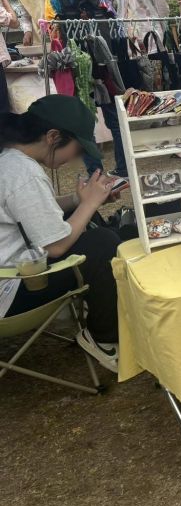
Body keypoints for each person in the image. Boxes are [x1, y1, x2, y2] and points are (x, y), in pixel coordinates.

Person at [0, 95, 124, 372]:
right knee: (103, 244)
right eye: (77, 150)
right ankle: (104, 338)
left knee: (87, 220)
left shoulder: (9, 159)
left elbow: (32, 211)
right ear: (53, 136)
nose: (75, 159)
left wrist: (81, 200)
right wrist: (89, 203)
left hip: (13, 272)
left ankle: (102, 306)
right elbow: (56, 246)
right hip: (9, 290)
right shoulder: (23, 172)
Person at [44, 0, 128, 184]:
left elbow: (52, 35)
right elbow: (117, 29)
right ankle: (124, 169)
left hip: (75, 67)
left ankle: (96, 175)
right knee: (115, 120)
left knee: (84, 124)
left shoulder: (53, 0)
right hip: (104, 63)